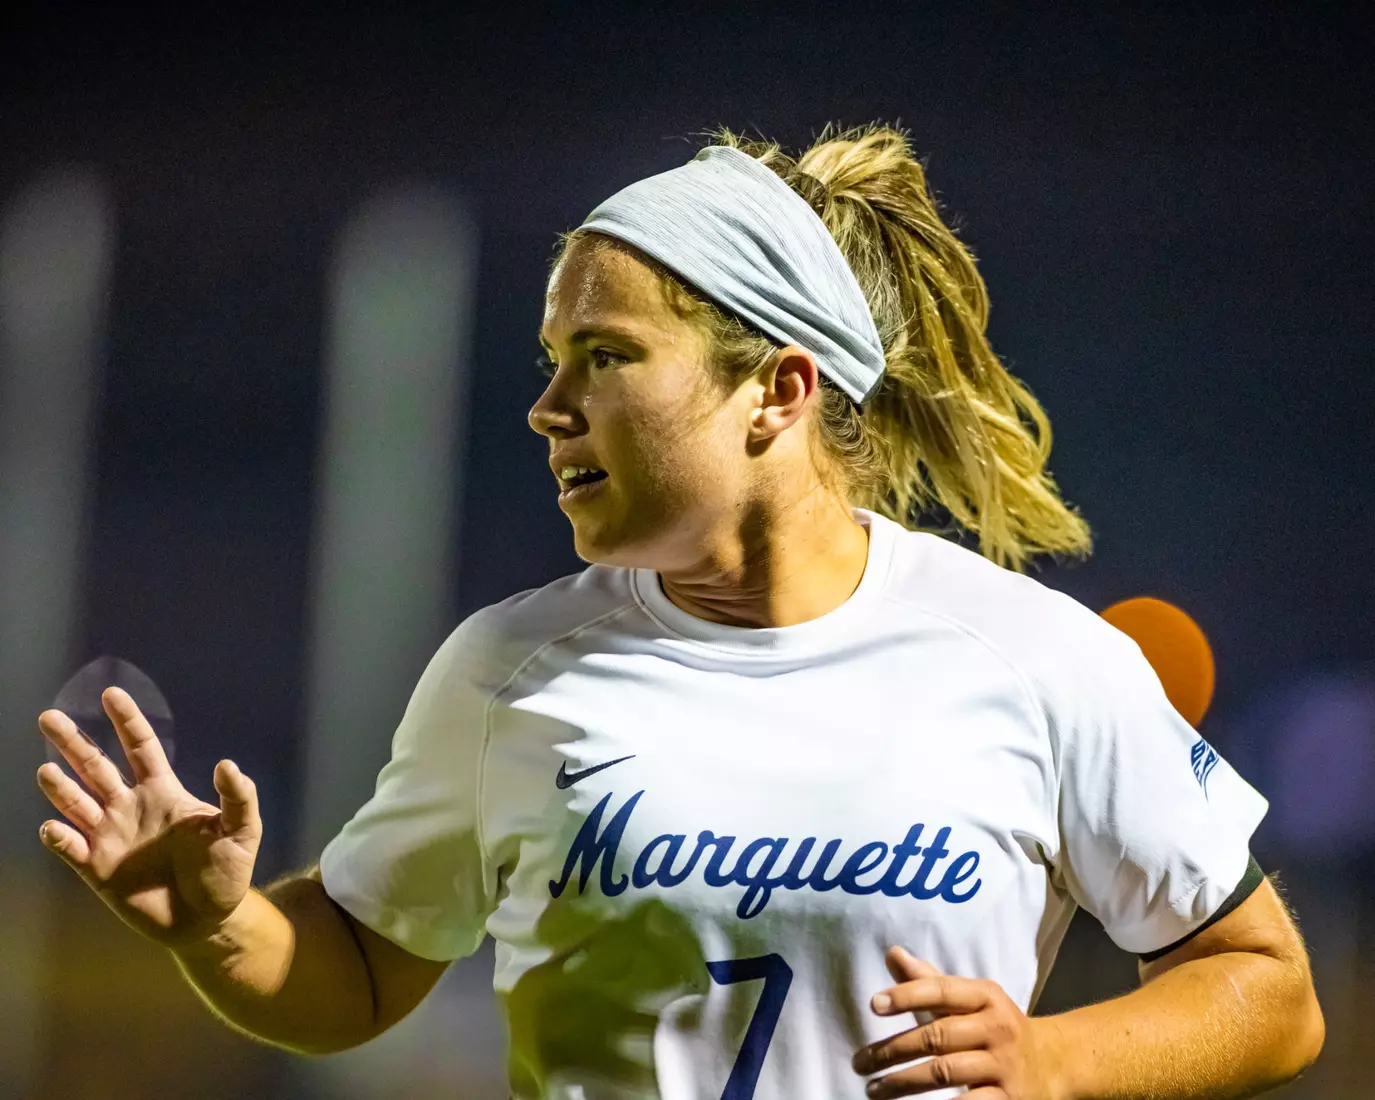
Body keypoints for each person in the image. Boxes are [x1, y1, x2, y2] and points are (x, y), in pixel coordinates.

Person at [34, 125, 1323, 1099]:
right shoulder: (509, 672)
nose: (549, 408)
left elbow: (1267, 991)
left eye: (605, 357)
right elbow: (361, 972)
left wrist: (1054, 1062)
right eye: (554, 362)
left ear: (778, 391)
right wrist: (219, 925)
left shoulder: (1038, 659)